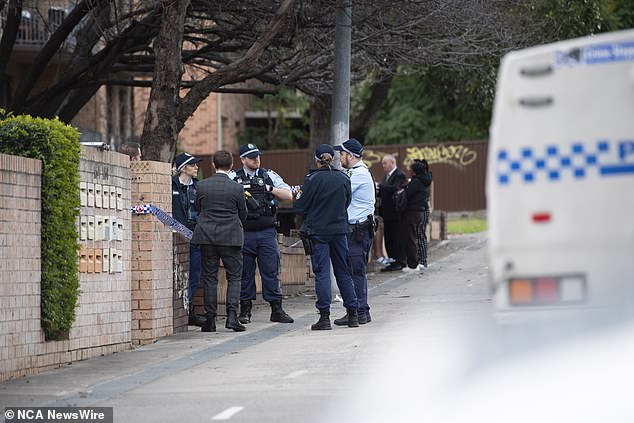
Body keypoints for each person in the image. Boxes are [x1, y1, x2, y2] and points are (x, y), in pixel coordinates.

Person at [293, 144, 360, 330]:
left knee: (322, 274)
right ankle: (353, 313)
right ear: (334, 158)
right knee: (343, 272)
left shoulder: (312, 179)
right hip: (340, 230)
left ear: (317, 160)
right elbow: (348, 201)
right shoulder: (343, 178)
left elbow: (299, 206)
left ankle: (324, 317)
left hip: (318, 232)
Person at [228, 144, 294, 324]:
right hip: (244, 233)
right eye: (251, 157)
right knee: (245, 274)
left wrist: (268, 188)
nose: (256, 159)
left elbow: (288, 195)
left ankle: (276, 309)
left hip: (266, 232)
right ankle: (245, 310)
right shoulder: (233, 177)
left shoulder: (268, 175)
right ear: (242, 159)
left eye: (258, 156)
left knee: (271, 271)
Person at [191, 150, 248, 332]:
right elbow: (243, 213)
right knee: (235, 277)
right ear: (231, 165)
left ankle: (210, 319)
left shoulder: (202, 186)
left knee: (210, 277)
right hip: (231, 237)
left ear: (213, 165)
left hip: (207, 236)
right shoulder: (237, 188)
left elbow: (198, 208)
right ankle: (232, 316)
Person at [333, 138, 375, 325]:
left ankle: (359, 310)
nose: (339, 157)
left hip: (357, 230)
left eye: (341, 154)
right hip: (357, 229)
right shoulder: (356, 172)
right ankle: (360, 310)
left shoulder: (357, 175)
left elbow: (336, 192)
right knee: (354, 271)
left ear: (349, 156)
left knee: (355, 271)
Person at [172, 152, 204, 326]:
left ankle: (189, 309)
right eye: (193, 165)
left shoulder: (199, 187)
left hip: (196, 235)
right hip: (176, 236)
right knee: (177, 274)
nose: (196, 167)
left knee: (194, 273)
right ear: (183, 168)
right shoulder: (172, 184)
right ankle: (180, 310)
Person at [399, 159, 432, 271]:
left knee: (412, 237)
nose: (409, 172)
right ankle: (421, 261)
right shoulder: (425, 180)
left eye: (411, 170)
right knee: (419, 235)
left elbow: (408, 194)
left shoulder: (416, 182)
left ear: (415, 172)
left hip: (413, 212)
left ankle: (414, 264)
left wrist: (403, 190)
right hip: (421, 211)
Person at [377, 154, 407, 272]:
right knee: (389, 238)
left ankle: (400, 261)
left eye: (385, 163)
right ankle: (392, 260)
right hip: (387, 213)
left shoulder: (399, 174)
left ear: (392, 163)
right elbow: (385, 191)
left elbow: (395, 188)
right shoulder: (387, 176)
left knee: (397, 238)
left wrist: (381, 186)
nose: (383, 165)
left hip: (395, 213)